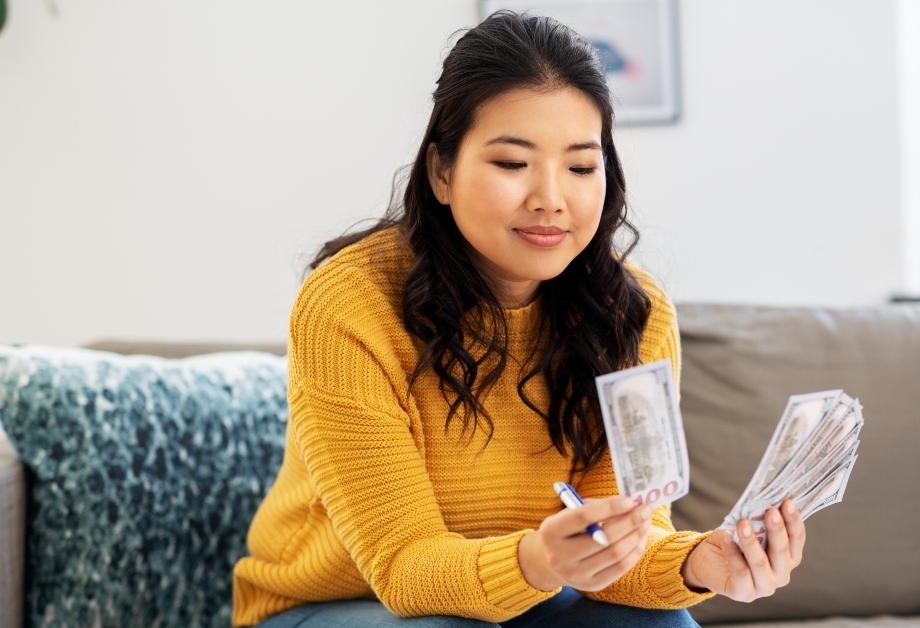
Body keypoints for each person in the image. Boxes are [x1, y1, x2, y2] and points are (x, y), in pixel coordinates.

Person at [231, 11, 805, 628]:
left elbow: (624, 544)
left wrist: (701, 564)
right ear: (441, 172)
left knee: (661, 625)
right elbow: (402, 570)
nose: (551, 198)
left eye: (582, 167)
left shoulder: (633, 314)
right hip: (337, 604)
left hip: (529, 594)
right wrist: (540, 560)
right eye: (512, 163)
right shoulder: (349, 304)